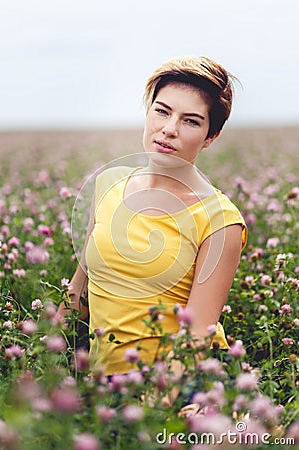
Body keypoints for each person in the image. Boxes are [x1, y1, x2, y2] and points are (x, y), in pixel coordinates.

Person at [56, 55, 247, 408]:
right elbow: (79, 289)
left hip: (184, 380)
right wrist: (44, 356)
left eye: (190, 121)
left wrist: (152, 405)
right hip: (106, 381)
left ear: (211, 136)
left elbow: (195, 338)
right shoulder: (109, 184)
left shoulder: (220, 220)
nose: (169, 128)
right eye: (162, 111)